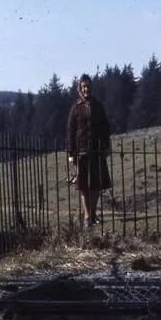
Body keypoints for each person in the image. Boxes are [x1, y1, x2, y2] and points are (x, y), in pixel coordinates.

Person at [66, 74, 112, 228]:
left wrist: (107, 146)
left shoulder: (98, 105)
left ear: (91, 87)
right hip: (82, 151)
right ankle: (87, 217)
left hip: (97, 150)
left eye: (88, 86)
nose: (86, 89)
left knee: (97, 184)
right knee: (84, 186)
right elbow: (71, 132)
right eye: (83, 86)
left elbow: (105, 127)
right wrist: (71, 154)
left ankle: (93, 214)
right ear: (80, 88)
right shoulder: (76, 108)